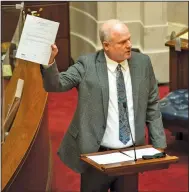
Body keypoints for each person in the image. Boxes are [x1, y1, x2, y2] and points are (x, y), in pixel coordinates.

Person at [40, 19, 167, 192]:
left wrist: (158, 143)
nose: (129, 45)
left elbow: (152, 105)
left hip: (131, 154)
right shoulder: (87, 65)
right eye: (122, 42)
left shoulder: (143, 63)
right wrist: (49, 62)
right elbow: (56, 85)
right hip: (96, 154)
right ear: (106, 45)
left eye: (129, 39)